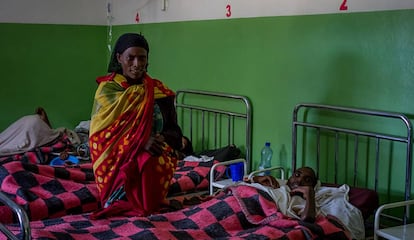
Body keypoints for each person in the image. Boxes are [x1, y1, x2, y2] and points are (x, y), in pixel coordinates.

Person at [89, 33, 185, 218]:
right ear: (119, 58)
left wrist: (161, 138)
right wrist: (140, 141)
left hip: (156, 158)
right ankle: (120, 199)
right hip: (118, 160)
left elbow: (175, 133)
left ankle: (149, 201)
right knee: (142, 157)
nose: (136, 64)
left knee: (150, 158)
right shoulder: (108, 91)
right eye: (130, 58)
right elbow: (100, 137)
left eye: (142, 58)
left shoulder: (159, 92)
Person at [243, 167, 365, 240]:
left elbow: (308, 219)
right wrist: (257, 179)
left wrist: (310, 195)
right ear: (290, 177)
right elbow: (245, 183)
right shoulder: (277, 183)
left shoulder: (302, 200)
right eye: (297, 175)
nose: (299, 180)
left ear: (312, 186)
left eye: (307, 180)